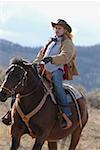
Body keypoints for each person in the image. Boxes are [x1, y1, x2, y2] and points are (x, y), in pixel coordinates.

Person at [34, 19, 79, 129]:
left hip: (57, 70)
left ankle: (66, 113)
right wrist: (35, 63)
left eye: (59, 28)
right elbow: (41, 54)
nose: (57, 30)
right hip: (43, 70)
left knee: (58, 88)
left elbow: (66, 56)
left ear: (65, 30)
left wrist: (52, 59)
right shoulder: (51, 41)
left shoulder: (67, 42)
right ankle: (13, 113)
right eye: (56, 28)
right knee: (26, 83)